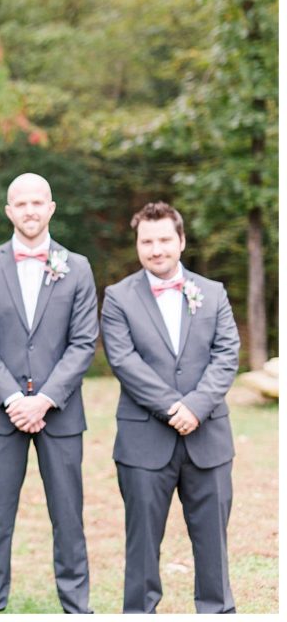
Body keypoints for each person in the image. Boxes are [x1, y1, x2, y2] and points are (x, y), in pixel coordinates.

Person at [0, 172, 97, 614]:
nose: (30, 210)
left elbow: (83, 342)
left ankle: (77, 606)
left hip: (60, 413)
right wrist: (13, 399)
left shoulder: (77, 267)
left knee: (69, 519)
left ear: (51, 208)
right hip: (2, 415)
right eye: (21, 203)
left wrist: (45, 398)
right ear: (9, 211)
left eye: (38, 202)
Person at [101, 201, 238, 613]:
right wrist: (171, 407)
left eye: (164, 240)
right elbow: (124, 361)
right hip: (144, 441)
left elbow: (227, 353)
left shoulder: (212, 293)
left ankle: (217, 612)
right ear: (138, 244)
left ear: (181, 241)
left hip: (208, 439)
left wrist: (195, 407)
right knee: (141, 545)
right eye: (147, 241)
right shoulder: (118, 297)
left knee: (213, 543)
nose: (156, 249)